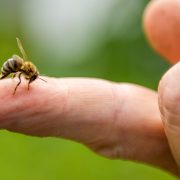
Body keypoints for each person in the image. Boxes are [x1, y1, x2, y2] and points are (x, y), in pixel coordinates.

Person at [0, 0, 179, 177]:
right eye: (32, 79)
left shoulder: (26, 70)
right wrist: (17, 87)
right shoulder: (24, 70)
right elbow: (19, 73)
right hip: (14, 67)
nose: (31, 81)